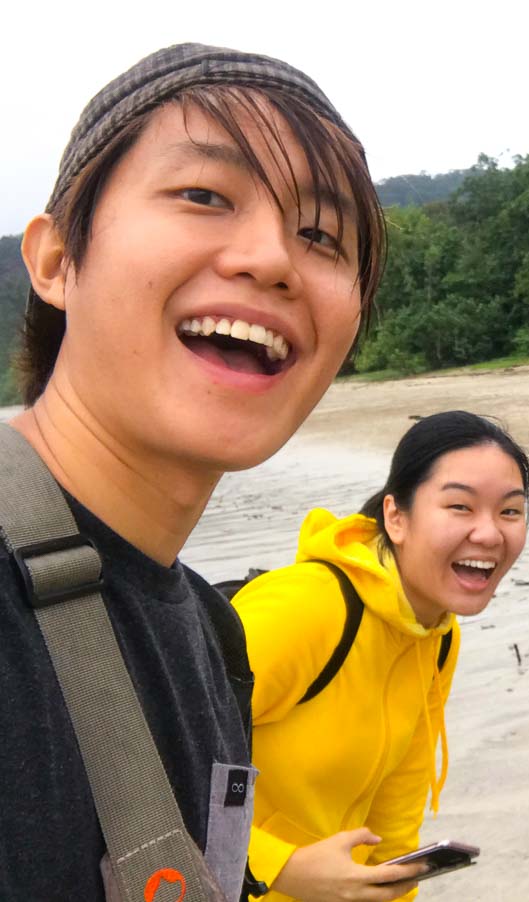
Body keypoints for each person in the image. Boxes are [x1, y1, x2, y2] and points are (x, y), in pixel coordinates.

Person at [0, 43, 434, 900]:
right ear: (55, 261)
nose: (271, 259)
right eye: (204, 195)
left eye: (322, 237)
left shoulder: (211, 628)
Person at [233, 411, 529, 901]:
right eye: (460, 507)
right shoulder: (305, 609)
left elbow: (397, 806)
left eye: (510, 511)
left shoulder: (435, 633)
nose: (489, 534)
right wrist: (276, 868)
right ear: (396, 517)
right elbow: (140, 769)